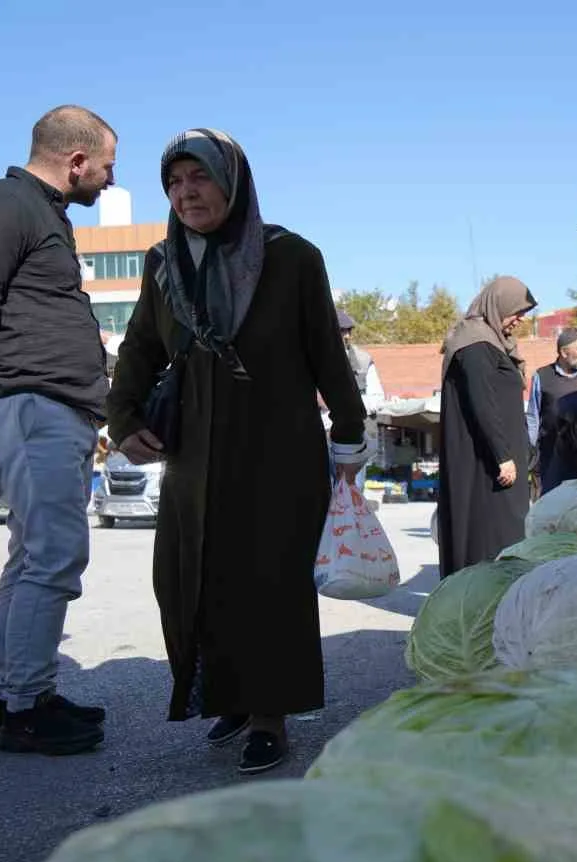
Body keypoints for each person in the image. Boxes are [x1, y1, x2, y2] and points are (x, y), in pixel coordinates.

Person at [107, 128, 369, 775]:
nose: (185, 192)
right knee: (193, 580)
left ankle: (270, 716)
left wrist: (349, 430)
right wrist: (123, 418)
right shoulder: (163, 263)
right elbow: (140, 348)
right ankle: (227, 694)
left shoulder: (292, 257)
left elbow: (325, 355)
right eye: (174, 181)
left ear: (232, 180)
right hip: (195, 455)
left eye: (199, 177)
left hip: (277, 452)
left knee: (269, 584)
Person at [0, 105, 116, 756]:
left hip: (43, 406)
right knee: (51, 558)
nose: (108, 179)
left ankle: (20, 695)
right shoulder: (7, 204)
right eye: (106, 166)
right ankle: (24, 708)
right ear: (76, 161)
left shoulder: (39, 213)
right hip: (31, 405)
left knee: (31, 556)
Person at [438, 277, 535, 576]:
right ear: (499, 304)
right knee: (490, 537)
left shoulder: (491, 342)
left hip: (500, 459)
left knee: (506, 533)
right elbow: (482, 401)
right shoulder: (476, 344)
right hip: (486, 465)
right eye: (516, 311)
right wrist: (502, 455)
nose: (520, 319)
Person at [526, 327, 577, 484]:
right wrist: (531, 454)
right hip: (553, 459)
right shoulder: (542, 376)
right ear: (564, 353)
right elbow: (533, 417)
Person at [335, 309, 385, 494]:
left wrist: (347, 403)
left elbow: (378, 399)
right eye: (341, 330)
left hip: (354, 439)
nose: (346, 335)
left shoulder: (363, 360)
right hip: (320, 437)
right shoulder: (310, 357)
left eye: (349, 330)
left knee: (354, 491)